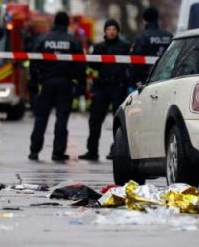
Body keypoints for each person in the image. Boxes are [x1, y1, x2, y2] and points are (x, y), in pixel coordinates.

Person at [29, 11, 85, 161]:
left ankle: (34, 151)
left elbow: (34, 62)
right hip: (65, 84)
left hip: (46, 83)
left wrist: (34, 82)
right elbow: (80, 65)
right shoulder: (73, 41)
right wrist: (81, 85)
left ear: (54, 23)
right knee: (61, 119)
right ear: (67, 23)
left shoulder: (43, 40)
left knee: (41, 118)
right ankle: (57, 152)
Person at [79, 19, 131, 161]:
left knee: (119, 121)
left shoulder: (125, 47)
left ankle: (117, 150)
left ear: (118, 31)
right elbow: (92, 66)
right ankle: (92, 151)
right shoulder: (99, 47)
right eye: (109, 29)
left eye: (114, 29)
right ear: (105, 31)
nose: (111, 31)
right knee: (95, 120)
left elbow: (131, 66)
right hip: (102, 87)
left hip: (118, 87)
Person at [130, 7, 173, 86]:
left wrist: (135, 81)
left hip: (147, 79)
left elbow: (136, 60)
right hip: (167, 76)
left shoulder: (142, 37)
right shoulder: (169, 36)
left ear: (144, 20)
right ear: (157, 18)